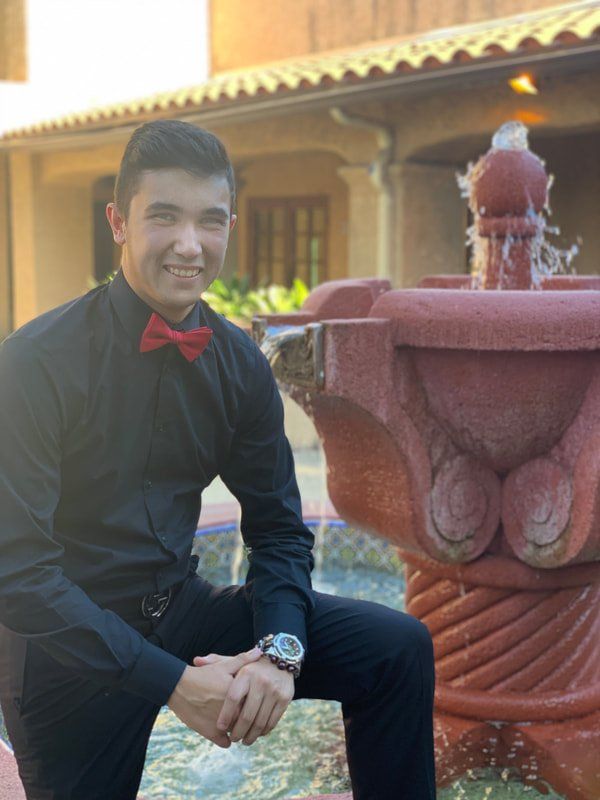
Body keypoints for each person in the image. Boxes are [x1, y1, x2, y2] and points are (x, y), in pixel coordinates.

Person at [0, 119, 436, 800]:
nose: (189, 244)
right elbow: (20, 575)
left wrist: (279, 653)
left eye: (211, 220)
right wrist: (174, 685)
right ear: (119, 221)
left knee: (397, 649)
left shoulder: (238, 364)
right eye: (164, 217)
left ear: (231, 224)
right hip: (68, 649)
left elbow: (279, 529)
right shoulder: (34, 363)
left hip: (180, 610)